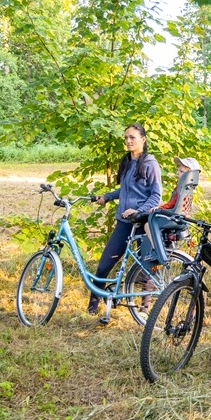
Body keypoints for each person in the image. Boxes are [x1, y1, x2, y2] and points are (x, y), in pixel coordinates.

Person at [91, 123, 162, 317]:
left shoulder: (150, 163)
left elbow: (156, 196)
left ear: (143, 140)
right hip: (124, 223)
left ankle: (145, 309)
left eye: (132, 137)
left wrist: (138, 211)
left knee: (146, 267)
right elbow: (124, 190)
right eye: (126, 138)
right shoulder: (127, 162)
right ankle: (94, 305)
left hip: (142, 222)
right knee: (105, 264)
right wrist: (107, 197)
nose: (129, 141)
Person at [141, 156, 201, 267]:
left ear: (189, 175)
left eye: (181, 171)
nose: (178, 173)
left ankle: (157, 251)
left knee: (148, 225)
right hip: (179, 216)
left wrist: (160, 209)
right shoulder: (188, 188)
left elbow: (173, 204)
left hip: (173, 216)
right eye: (178, 170)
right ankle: (166, 247)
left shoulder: (181, 187)